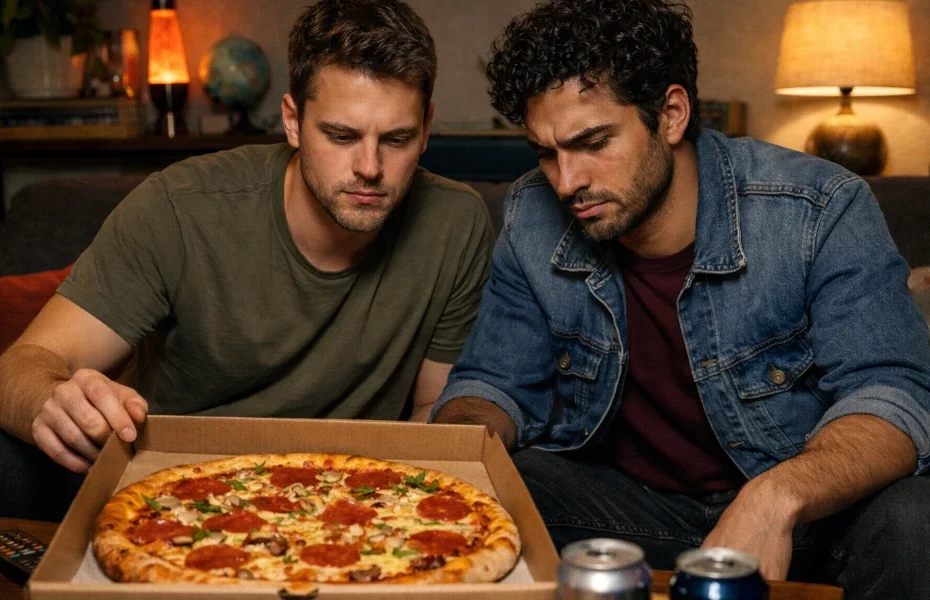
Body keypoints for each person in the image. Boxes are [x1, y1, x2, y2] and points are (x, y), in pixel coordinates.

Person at [431, 0, 930, 597]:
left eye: (593, 142)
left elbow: (896, 393)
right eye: (545, 151)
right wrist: (459, 449)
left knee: (915, 522)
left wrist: (775, 497)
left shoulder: (818, 207)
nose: (566, 181)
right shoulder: (531, 215)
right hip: (629, 511)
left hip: (805, 512)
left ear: (671, 114)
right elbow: (494, 384)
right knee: (491, 495)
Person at [0, 0, 492, 519]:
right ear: (293, 121)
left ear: (426, 128)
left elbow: (431, 411)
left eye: (396, 139)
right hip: (166, 491)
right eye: (341, 136)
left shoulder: (455, 223)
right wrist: (53, 404)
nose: (370, 168)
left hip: (351, 499)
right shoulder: (178, 207)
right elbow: (20, 368)